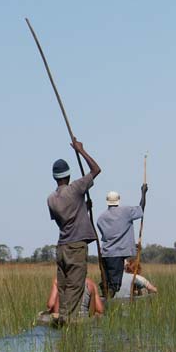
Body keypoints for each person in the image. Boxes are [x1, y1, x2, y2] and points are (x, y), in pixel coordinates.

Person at [47, 138, 101, 322]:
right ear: (68, 176)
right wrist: (81, 150)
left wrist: (83, 207)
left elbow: (65, 220)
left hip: (61, 247)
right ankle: (66, 321)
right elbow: (96, 170)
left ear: (55, 177)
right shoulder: (76, 188)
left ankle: (63, 317)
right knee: (76, 286)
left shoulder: (51, 199)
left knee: (63, 287)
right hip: (76, 247)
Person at [97, 184, 148, 297]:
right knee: (114, 286)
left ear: (107, 201)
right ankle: (105, 306)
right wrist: (143, 193)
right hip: (117, 255)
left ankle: (102, 304)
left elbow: (104, 234)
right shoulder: (126, 211)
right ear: (118, 200)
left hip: (105, 254)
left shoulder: (101, 218)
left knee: (106, 283)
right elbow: (141, 209)